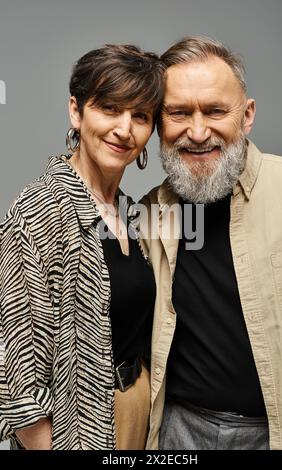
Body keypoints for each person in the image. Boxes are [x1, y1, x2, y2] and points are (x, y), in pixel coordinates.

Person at [0, 44, 164, 450]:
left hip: (137, 415)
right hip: (78, 429)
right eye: (110, 108)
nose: (125, 129)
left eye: (140, 116)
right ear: (77, 112)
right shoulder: (37, 211)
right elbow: (16, 373)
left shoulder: (129, 212)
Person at [140, 36, 282, 450]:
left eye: (214, 111)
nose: (197, 132)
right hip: (179, 431)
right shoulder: (147, 215)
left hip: (279, 434)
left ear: (246, 116)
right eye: (178, 113)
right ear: (159, 122)